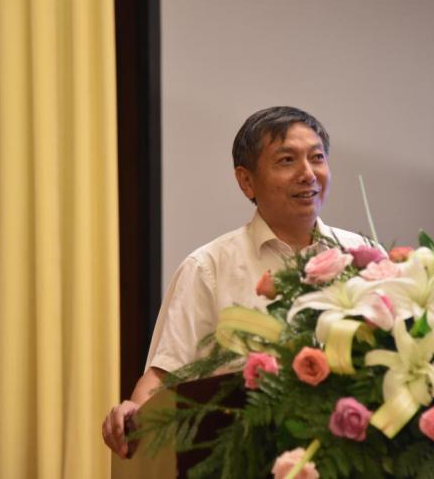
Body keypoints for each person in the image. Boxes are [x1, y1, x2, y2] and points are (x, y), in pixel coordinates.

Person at [102, 106, 369, 458]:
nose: (308, 174)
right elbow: (165, 375)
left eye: (317, 158)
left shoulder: (363, 255)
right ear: (246, 181)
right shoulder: (207, 268)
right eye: (287, 160)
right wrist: (135, 415)